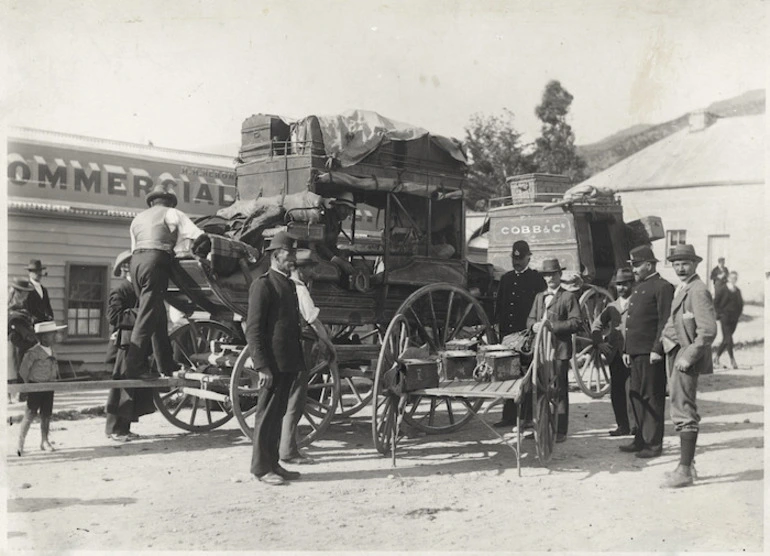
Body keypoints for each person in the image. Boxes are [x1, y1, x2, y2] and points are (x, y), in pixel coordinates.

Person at [126, 183, 211, 380]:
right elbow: (199, 236)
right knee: (148, 315)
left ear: (152, 201)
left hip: (136, 263)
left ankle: (165, 363)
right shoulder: (173, 214)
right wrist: (202, 254)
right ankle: (133, 366)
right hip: (156, 261)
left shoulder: (138, 218)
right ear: (169, 201)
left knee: (156, 314)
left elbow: (134, 248)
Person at [246, 231, 305, 486]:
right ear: (275, 255)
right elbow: (254, 329)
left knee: (278, 414)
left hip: (288, 362)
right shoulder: (263, 284)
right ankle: (260, 468)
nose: (293, 258)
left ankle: (273, 464)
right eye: (289, 254)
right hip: (271, 364)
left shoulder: (289, 284)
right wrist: (262, 366)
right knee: (266, 415)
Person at [660, 244, 717, 488]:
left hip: (686, 358)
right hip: (675, 353)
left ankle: (684, 471)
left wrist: (688, 356)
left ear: (695, 264)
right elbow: (674, 323)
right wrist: (661, 345)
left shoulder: (698, 290)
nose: (680, 268)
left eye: (685, 263)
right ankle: (688, 464)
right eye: (676, 264)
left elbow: (708, 330)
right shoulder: (682, 288)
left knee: (683, 409)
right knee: (678, 404)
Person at [280, 249, 338, 465]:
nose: (314, 272)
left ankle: (282, 446)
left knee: (286, 398)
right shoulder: (300, 289)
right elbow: (313, 319)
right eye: (311, 268)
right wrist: (328, 342)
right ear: (301, 269)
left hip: (285, 346)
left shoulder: (283, 285)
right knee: (296, 399)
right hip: (301, 346)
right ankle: (288, 451)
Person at [620, 246, 674, 459]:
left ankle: (653, 445)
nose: (633, 269)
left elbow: (665, 321)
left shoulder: (662, 287)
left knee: (652, 397)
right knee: (636, 397)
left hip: (650, 353)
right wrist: (626, 349)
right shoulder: (639, 287)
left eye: (636, 265)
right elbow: (631, 322)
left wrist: (657, 349)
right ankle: (640, 439)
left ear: (649, 265)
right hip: (635, 352)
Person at [493, 240, 547, 428]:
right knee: (507, 373)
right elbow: (499, 305)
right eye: (514, 259)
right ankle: (508, 416)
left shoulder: (536, 279)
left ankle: (527, 418)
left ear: (528, 258)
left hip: (526, 336)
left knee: (526, 375)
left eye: (520, 259)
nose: (516, 262)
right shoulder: (506, 279)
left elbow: (542, 307)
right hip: (507, 335)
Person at [526, 258, 581, 443]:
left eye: (553, 274)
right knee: (538, 390)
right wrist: (533, 326)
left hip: (559, 350)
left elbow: (576, 323)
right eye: (546, 275)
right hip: (540, 351)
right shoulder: (539, 297)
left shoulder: (568, 297)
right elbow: (530, 319)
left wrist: (552, 326)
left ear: (560, 275)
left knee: (559, 390)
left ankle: (560, 430)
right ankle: (538, 427)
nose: (549, 278)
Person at [104, 250, 155, 441]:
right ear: (127, 268)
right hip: (124, 345)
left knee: (131, 387)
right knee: (122, 385)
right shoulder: (121, 289)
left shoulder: (137, 288)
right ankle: (115, 429)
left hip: (136, 344)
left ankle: (123, 428)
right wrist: (141, 313)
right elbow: (113, 316)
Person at [591, 267, 635, 436]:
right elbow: (597, 325)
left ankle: (634, 426)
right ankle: (622, 426)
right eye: (618, 285)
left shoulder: (637, 303)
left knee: (632, 391)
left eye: (625, 284)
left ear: (632, 284)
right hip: (614, 355)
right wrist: (599, 343)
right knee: (616, 391)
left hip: (631, 354)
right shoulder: (611, 307)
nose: (621, 288)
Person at [17, 321, 67, 456]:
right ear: (44, 337)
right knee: (30, 414)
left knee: (46, 414)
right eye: (53, 334)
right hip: (36, 387)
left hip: (49, 387)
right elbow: (23, 370)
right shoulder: (33, 352)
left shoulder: (52, 350)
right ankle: (20, 443)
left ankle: (45, 441)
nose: (56, 336)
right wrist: (28, 386)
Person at [316, 192, 356, 277]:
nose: (347, 212)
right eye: (344, 208)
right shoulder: (325, 219)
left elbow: (331, 246)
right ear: (337, 206)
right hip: (318, 260)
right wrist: (335, 259)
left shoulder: (337, 222)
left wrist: (341, 253)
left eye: (349, 209)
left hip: (327, 258)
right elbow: (319, 244)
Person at [713, 271, 743, 370]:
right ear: (729, 278)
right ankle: (732, 360)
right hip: (724, 317)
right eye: (733, 278)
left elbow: (740, 304)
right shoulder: (723, 289)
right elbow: (715, 302)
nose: (734, 280)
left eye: (736, 278)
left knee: (726, 339)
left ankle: (716, 357)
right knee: (729, 338)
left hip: (734, 318)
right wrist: (719, 314)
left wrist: (738, 315)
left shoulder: (737, 290)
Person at [25, 259, 54, 324]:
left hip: (44, 326)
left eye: (40, 271)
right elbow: (25, 310)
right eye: (35, 271)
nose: (38, 273)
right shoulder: (26, 289)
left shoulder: (44, 290)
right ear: (29, 273)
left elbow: (48, 309)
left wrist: (50, 318)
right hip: (30, 327)